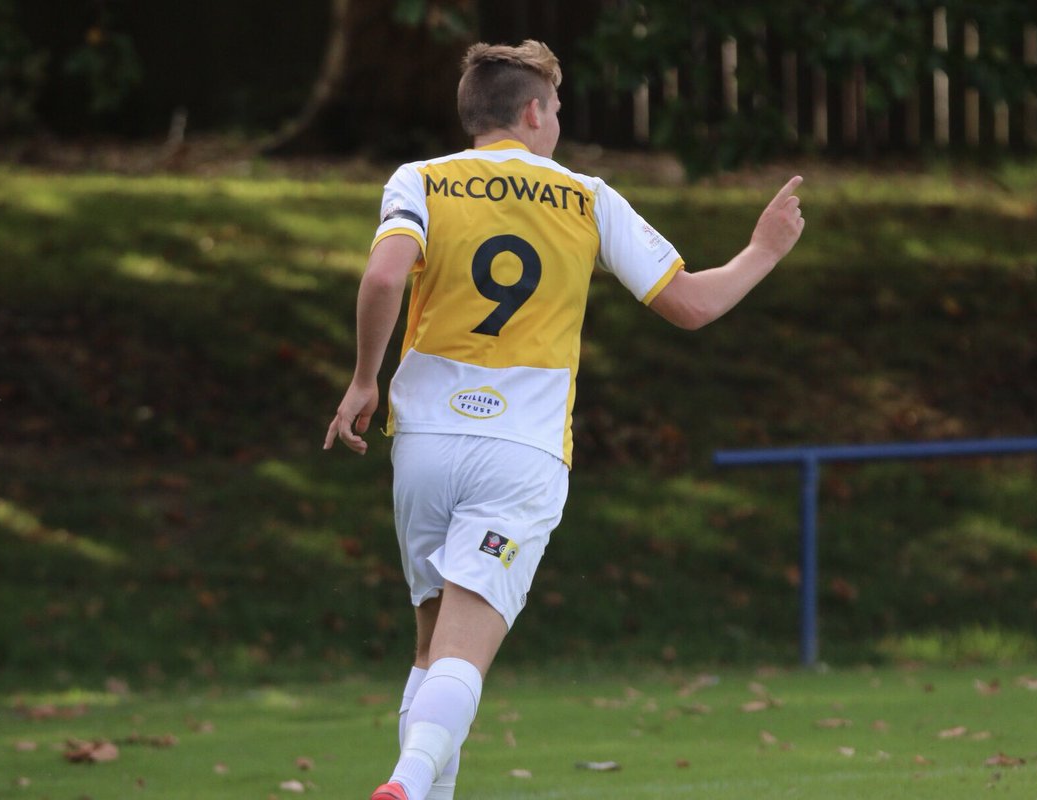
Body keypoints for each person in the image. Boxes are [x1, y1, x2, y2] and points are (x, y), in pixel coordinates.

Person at [323, 39, 805, 800]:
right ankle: (408, 783)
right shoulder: (586, 196)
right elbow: (692, 304)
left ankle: (420, 788)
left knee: (430, 650)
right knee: (464, 652)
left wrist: (362, 379)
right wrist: (763, 249)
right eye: (556, 112)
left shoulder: (420, 179)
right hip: (519, 450)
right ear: (531, 112)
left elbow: (385, 273)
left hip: (423, 444)